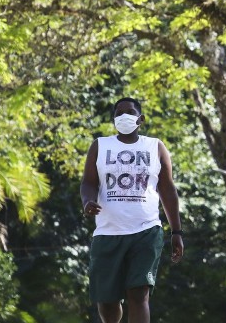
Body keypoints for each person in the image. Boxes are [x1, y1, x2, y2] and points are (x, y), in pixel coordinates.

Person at [80, 97, 184, 323]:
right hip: (107, 232)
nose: (123, 116)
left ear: (141, 118)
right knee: (107, 302)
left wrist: (176, 231)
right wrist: (87, 201)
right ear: (113, 120)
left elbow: (167, 189)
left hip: (146, 231)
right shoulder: (100, 146)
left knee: (139, 294)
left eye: (129, 112)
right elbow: (88, 182)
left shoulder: (155, 147)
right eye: (118, 113)